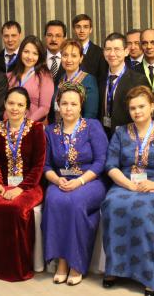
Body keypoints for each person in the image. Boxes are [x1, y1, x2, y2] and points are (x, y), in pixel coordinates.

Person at [101, 85, 154, 296]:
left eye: (142, 106)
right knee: (112, 204)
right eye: (133, 108)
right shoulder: (120, 132)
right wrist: (128, 184)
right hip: (125, 183)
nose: (137, 111)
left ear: (152, 106)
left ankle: (151, 275)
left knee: (143, 210)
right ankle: (114, 269)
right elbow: (111, 166)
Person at [42, 82, 107, 286]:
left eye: (73, 104)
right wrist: (56, 179)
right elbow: (45, 165)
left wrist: (79, 181)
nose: (68, 108)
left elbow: (101, 161)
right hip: (61, 180)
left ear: (81, 106)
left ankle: (77, 263)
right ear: (58, 106)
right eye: (64, 103)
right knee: (53, 199)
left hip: (90, 180)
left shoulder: (92, 126)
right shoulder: (50, 131)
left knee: (75, 202)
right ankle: (62, 261)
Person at [0, 87, 46, 281]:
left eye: (20, 105)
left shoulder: (36, 129)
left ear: (27, 108)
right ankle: (1, 266)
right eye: (11, 103)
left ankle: (21, 267)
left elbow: (39, 165)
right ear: (4, 104)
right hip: (3, 185)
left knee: (17, 209)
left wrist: (20, 189)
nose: (15, 108)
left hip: (30, 186)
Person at [98, 32, 147, 137]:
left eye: (116, 49)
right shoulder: (100, 79)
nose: (112, 54)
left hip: (129, 136)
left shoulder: (138, 80)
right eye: (108, 49)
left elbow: (144, 114)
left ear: (126, 51)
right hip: (103, 135)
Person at [6, 35, 54, 122]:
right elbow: (4, 104)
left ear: (40, 56)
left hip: (33, 126)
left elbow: (45, 108)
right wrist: (8, 121)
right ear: (20, 52)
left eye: (35, 53)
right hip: (10, 126)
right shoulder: (9, 76)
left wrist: (26, 124)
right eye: (26, 52)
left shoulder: (45, 76)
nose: (30, 57)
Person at [50, 39, 99, 121]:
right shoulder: (61, 79)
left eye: (73, 56)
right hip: (58, 128)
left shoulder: (88, 80)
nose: (68, 60)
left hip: (79, 130)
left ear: (81, 58)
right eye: (65, 55)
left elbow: (90, 114)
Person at [72, 14, 107, 78]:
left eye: (85, 27)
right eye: (78, 27)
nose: (82, 31)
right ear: (73, 30)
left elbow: (102, 79)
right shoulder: (67, 50)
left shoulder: (100, 53)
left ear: (90, 30)